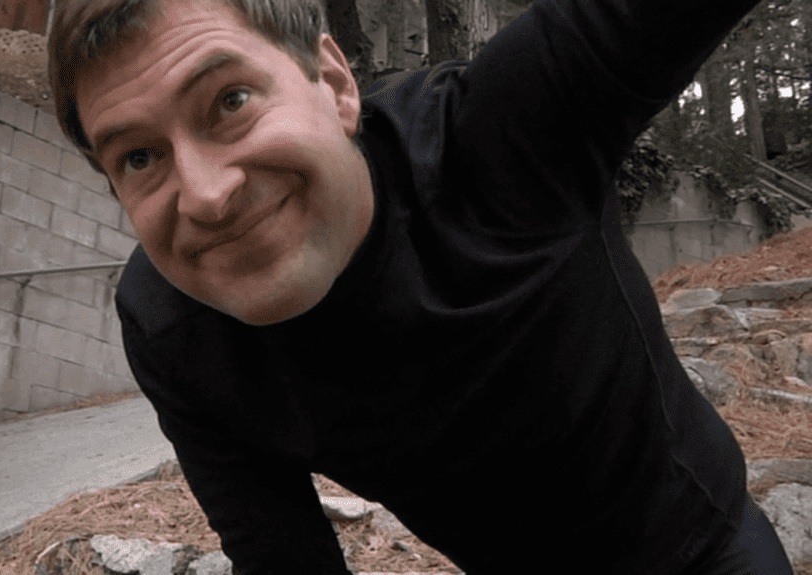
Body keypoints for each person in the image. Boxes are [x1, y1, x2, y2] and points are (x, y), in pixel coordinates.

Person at [47, 0, 795, 572]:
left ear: (334, 83)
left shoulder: (502, 131)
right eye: (139, 157)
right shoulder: (171, 326)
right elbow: (281, 558)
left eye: (230, 100)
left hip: (703, 552)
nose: (206, 196)